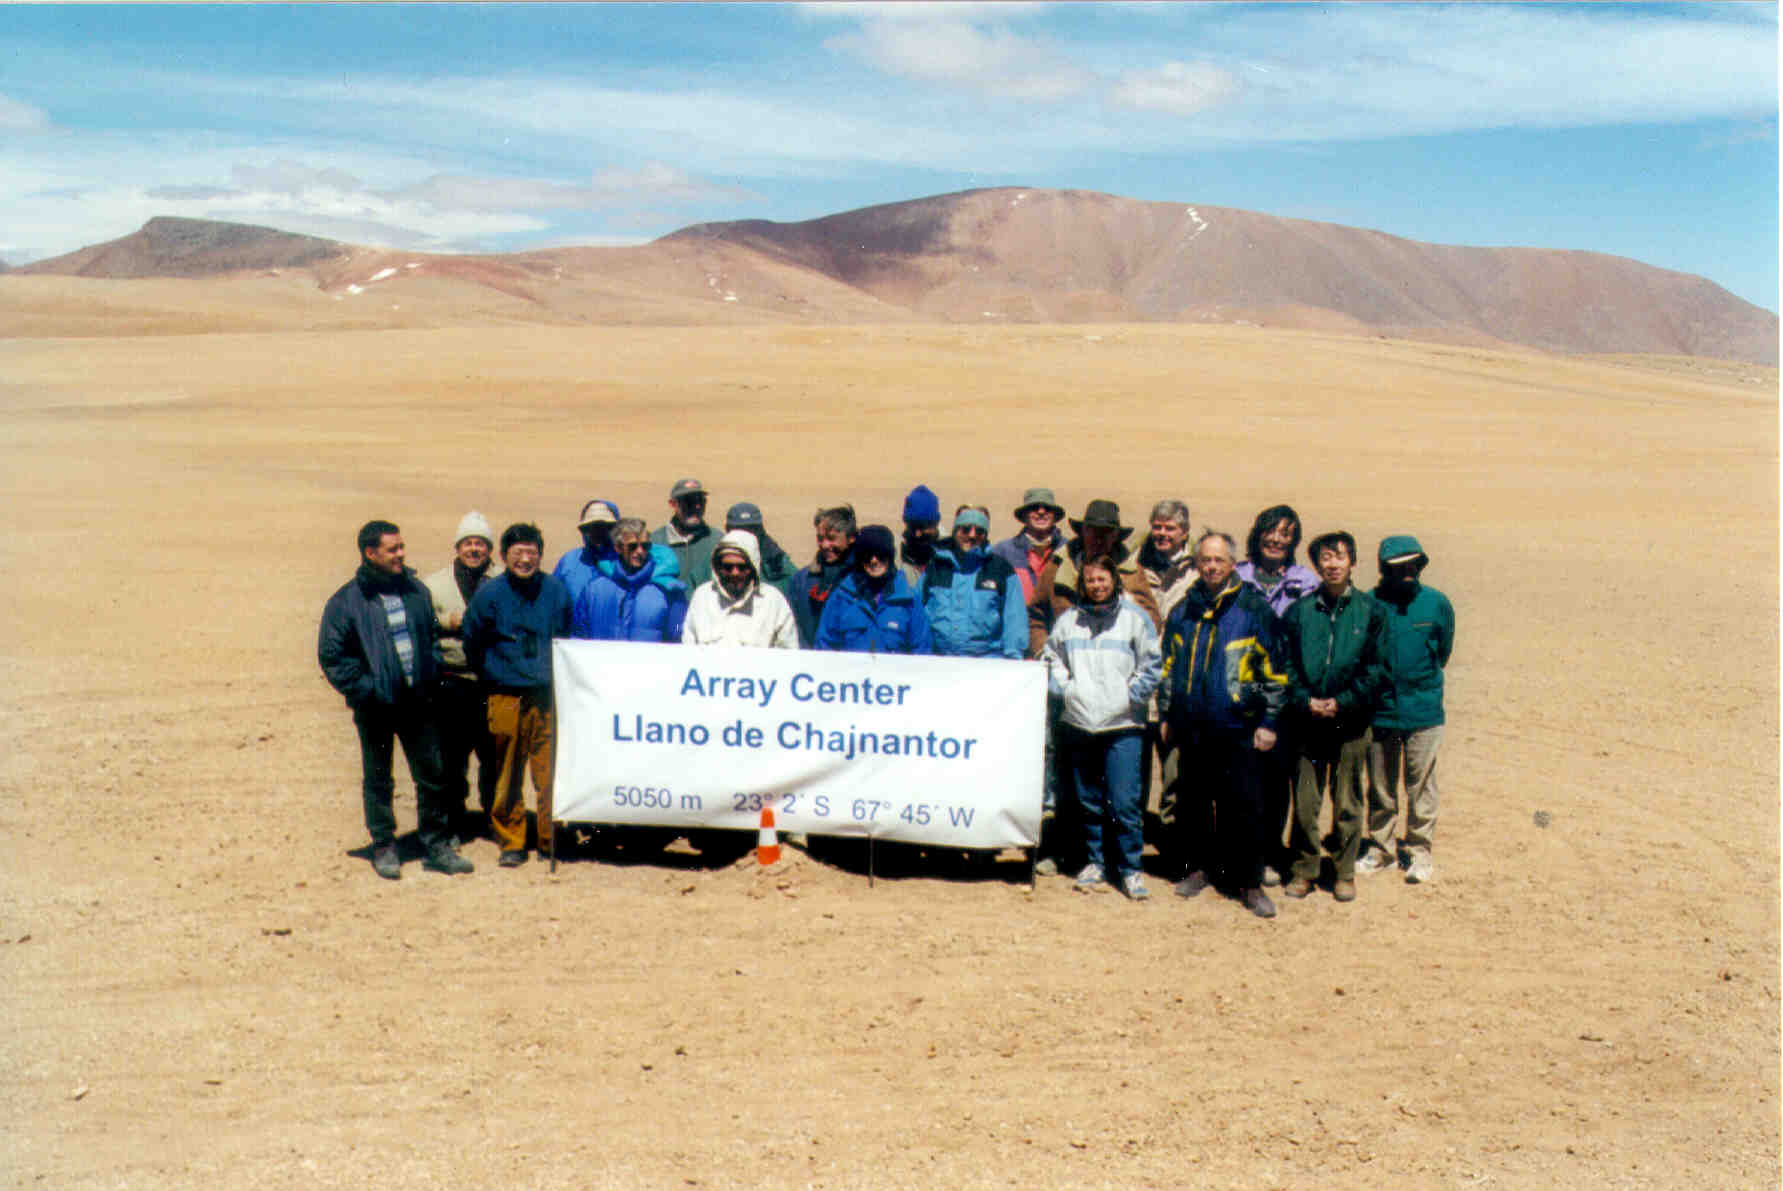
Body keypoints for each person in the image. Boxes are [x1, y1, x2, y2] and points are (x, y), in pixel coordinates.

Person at [318, 519, 473, 879]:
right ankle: (384, 845)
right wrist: (366, 690)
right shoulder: (347, 602)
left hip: (418, 703)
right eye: (393, 549)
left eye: (402, 547)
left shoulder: (415, 591)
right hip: (376, 707)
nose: (401, 554)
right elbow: (332, 656)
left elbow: (430, 638)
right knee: (378, 778)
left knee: (432, 776)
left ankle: (435, 845)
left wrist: (430, 678)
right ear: (370, 553)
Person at [1157, 531, 1287, 919]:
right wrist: (1166, 713)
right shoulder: (1184, 609)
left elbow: (1275, 673)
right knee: (1194, 803)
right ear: (1197, 565)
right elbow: (1168, 667)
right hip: (1193, 726)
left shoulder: (1253, 609)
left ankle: (1248, 882)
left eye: (1218, 560)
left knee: (1244, 807)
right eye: (1204, 561)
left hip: (1240, 727)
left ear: (1232, 564)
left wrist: (1269, 721)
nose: (1211, 567)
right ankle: (1198, 869)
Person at [1042, 555, 1162, 900]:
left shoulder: (1134, 618)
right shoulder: (1069, 621)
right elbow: (1053, 659)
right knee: (1088, 800)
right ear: (1083, 583)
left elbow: (1152, 663)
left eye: (1103, 580)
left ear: (1114, 580)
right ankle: (1096, 862)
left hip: (1122, 724)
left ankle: (1131, 868)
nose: (1097, 586)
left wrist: (1130, 696)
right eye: (1091, 581)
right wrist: (1067, 692)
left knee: (1124, 802)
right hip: (1080, 722)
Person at [1278, 531, 1388, 903]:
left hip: (1350, 724)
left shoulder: (1371, 611)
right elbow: (1286, 665)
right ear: (1316, 564)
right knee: (1306, 804)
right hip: (1307, 723)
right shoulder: (1300, 612)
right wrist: (1305, 700)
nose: (1333, 564)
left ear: (1353, 562)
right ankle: (1305, 870)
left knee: (1347, 802)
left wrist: (1342, 702)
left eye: (1340, 556)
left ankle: (1343, 872)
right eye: (1325, 557)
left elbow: (1377, 670)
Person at [463, 523, 573, 868]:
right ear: (503, 556)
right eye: (518, 553)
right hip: (505, 696)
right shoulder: (489, 595)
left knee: (548, 771)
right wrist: (496, 675)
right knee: (506, 772)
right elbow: (472, 640)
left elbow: (565, 634)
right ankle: (511, 839)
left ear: (541, 554)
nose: (525, 559)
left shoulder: (555, 591)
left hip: (545, 697)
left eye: (532, 552)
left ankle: (548, 837)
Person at [1234, 504, 1321, 887]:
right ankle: (1236, 853)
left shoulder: (1306, 582)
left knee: (1275, 782)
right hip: (1240, 695)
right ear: (1258, 534)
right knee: (1238, 777)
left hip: (1285, 699)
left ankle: (1268, 852)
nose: (1276, 539)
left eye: (1286, 534)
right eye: (1271, 531)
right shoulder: (1238, 576)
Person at [1360, 534, 1455, 885]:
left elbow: (1442, 651)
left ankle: (1420, 851)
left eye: (1415, 565)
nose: (1409, 573)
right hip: (1381, 710)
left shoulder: (1436, 604)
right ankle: (1381, 849)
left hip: (1423, 709)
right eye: (1400, 567)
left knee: (1421, 784)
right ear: (1385, 569)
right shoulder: (1369, 603)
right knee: (1381, 785)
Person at [422, 511, 504, 839]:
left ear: (490, 549)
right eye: (468, 543)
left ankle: (496, 819)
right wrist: (448, 623)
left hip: (490, 682)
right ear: (457, 548)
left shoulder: (502, 581)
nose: (474, 549)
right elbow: (424, 623)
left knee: (493, 758)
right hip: (451, 681)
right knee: (452, 758)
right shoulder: (433, 584)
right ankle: (453, 821)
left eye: (481, 543)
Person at [1135, 498, 1196, 866]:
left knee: (1176, 773)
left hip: (1177, 686)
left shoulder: (1198, 571)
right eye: (1157, 527)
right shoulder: (1136, 565)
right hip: (1139, 686)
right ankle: (1131, 845)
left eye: (1170, 528)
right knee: (1134, 774)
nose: (1162, 534)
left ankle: (1175, 847)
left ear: (1184, 533)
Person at [915, 506, 1025, 660]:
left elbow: (1015, 620)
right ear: (955, 531)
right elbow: (916, 614)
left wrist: (1013, 659)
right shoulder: (935, 568)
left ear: (985, 535)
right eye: (966, 529)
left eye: (979, 531)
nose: (972, 535)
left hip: (986, 662)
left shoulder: (1001, 570)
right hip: (939, 661)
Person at [813, 525, 931, 654]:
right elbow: (824, 647)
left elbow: (922, 651)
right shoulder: (841, 598)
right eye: (867, 555)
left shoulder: (908, 600)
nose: (874, 560)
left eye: (881, 554)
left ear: (890, 557)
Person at [572, 517, 690, 642]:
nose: (640, 551)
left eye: (645, 546)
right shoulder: (594, 590)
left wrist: (677, 630)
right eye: (633, 546)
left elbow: (679, 631)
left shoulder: (669, 590)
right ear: (618, 548)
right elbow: (579, 635)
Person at [1053, 500, 1162, 631]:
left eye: (1106, 532)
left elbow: (1152, 621)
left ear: (1115, 536)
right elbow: (1036, 615)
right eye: (1093, 531)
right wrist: (1045, 648)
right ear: (1083, 531)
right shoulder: (1058, 566)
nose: (1099, 539)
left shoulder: (1131, 573)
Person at [553, 499, 681, 611]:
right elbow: (554, 603)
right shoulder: (569, 562)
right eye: (592, 527)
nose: (599, 532)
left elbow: (669, 561)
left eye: (606, 526)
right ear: (584, 530)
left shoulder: (629, 556)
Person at [681, 530, 799, 648]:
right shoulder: (702, 597)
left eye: (742, 567)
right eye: (728, 567)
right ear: (718, 567)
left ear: (753, 567)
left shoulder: (773, 601)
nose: (735, 573)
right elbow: (689, 649)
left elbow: (788, 654)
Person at [992, 487, 1068, 659]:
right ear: (1025, 515)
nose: (1041, 512)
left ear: (1055, 515)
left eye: (1047, 508)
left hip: (1062, 650)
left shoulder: (1069, 552)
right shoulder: (1003, 552)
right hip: (1017, 651)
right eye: (1034, 508)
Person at [784, 504, 857, 647]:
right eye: (820, 538)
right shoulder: (801, 581)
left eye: (831, 538)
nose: (824, 545)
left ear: (851, 538)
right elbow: (792, 625)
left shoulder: (862, 580)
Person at [651, 477, 718, 590]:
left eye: (701, 501)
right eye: (689, 501)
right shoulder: (655, 542)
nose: (697, 507)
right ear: (673, 504)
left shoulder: (717, 540)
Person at [723, 502, 797, 586]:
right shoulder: (717, 561)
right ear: (727, 530)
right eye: (739, 529)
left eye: (751, 529)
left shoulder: (778, 562)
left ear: (761, 530)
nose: (746, 535)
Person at [899, 484, 943, 587]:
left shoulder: (947, 561)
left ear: (935, 525)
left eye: (923, 527)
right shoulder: (895, 561)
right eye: (913, 527)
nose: (917, 534)